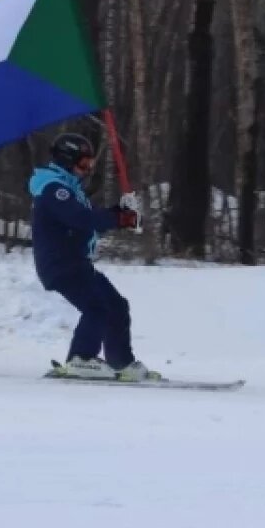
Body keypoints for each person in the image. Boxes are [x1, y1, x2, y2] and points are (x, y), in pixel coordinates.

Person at [28, 132, 160, 381]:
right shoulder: (53, 189)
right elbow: (81, 219)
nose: (87, 170)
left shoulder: (69, 189)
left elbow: (90, 217)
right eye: (83, 163)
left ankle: (121, 362)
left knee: (117, 305)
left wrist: (121, 212)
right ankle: (81, 359)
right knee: (96, 307)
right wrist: (120, 219)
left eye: (90, 164)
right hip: (61, 263)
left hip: (76, 263)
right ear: (67, 160)